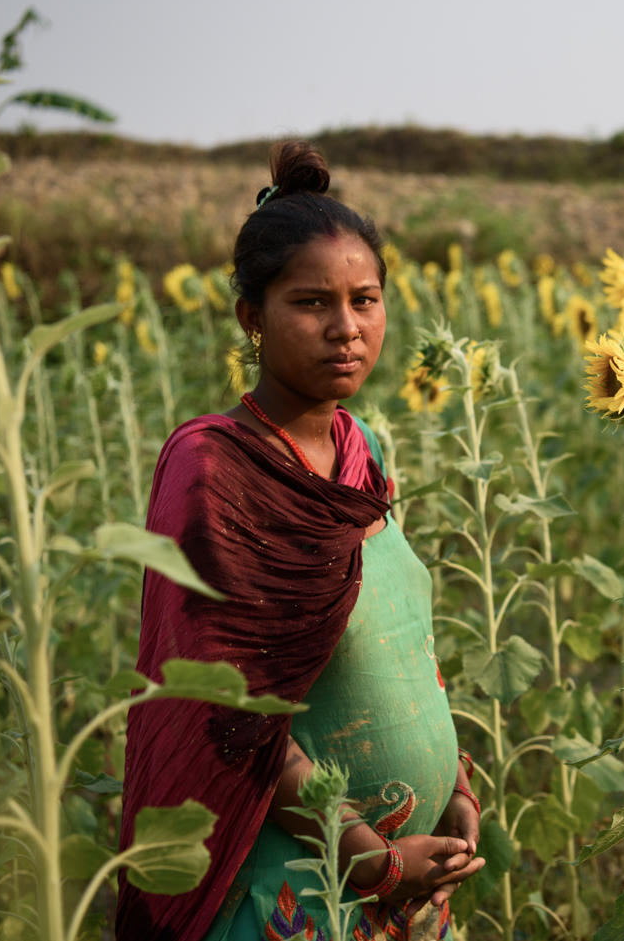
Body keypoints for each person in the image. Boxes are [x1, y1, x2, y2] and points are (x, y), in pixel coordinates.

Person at [116, 142, 484, 941]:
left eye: (366, 298)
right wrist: (371, 859)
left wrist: (455, 783)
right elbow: (231, 714)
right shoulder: (215, 468)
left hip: (411, 892)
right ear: (253, 317)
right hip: (301, 890)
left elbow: (401, 638)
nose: (346, 327)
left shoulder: (363, 450)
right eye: (313, 303)